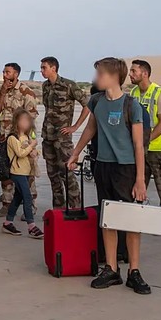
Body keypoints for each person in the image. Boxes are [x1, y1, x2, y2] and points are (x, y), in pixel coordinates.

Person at [68, 57, 150, 294]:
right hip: (103, 166)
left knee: (131, 220)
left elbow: (138, 145)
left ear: (114, 76)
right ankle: (111, 269)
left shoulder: (131, 105)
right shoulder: (96, 101)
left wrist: (140, 179)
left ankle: (134, 271)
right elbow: (91, 128)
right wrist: (75, 153)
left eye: (100, 74)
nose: (96, 78)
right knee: (108, 218)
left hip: (126, 169)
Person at [40, 56, 90, 209]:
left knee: (67, 175)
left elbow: (87, 105)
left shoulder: (69, 85)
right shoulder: (45, 86)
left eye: (44, 68)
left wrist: (75, 126)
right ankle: (59, 210)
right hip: (47, 136)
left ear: (53, 68)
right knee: (53, 176)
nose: (42, 70)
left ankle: (75, 209)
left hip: (62, 139)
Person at [0, 63, 39, 218]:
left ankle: (30, 206)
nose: (5, 75)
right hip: (5, 138)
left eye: (8, 72)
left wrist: (29, 142)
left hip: (22, 139)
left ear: (16, 74)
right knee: (6, 171)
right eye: (3, 72)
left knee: (27, 173)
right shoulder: (2, 90)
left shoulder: (26, 91)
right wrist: (2, 92)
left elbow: (32, 117)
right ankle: (7, 203)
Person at [129, 60, 161, 208]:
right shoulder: (133, 93)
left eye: (133, 71)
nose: (130, 74)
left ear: (144, 74)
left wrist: (146, 140)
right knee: (136, 190)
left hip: (160, 151)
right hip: (141, 150)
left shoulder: (159, 93)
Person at [1, 109, 44, 239]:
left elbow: (31, 151)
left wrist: (36, 151)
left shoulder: (27, 137)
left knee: (18, 198)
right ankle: (31, 226)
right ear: (16, 122)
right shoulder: (12, 138)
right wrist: (31, 146)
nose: (26, 123)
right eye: (23, 120)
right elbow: (20, 153)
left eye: (28, 120)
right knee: (27, 197)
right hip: (17, 172)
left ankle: (8, 222)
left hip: (26, 172)